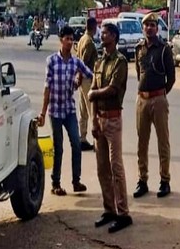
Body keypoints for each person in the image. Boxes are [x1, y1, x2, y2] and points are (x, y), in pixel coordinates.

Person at [37, 25, 94, 196]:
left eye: (72, 39)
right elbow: (47, 87)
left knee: (76, 144)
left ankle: (76, 181)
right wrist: (42, 112)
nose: (70, 42)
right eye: (67, 39)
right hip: (55, 110)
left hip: (69, 109)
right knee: (58, 148)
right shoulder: (52, 61)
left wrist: (80, 78)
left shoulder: (76, 62)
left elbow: (90, 73)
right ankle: (56, 183)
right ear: (60, 40)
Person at [88, 22, 132, 233]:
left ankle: (123, 212)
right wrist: (94, 119)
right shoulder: (99, 61)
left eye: (105, 33)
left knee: (116, 167)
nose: (101, 35)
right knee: (102, 168)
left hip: (114, 119)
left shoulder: (120, 62)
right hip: (101, 119)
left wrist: (94, 94)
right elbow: (95, 90)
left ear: (113, 36)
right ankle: (109, 209)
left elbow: (113, 89)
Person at [133, 12, 176, 199]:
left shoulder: (164, 49)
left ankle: (164, 180)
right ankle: (142, 180)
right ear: (143, 28)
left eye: (152, 25)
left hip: (159, 99)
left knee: (162, 141)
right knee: (142, 142)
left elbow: (171, 77)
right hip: (142, 99)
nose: (149, 28)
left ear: (157, 28)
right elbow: (138, 71)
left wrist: (161, 93)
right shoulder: (138, 48)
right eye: (146, 25)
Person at [76, 17, 98, 152]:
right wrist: (80, 75)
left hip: (81, 79)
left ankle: (82, 138)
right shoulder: (89, 42)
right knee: (92, 111)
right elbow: (83, 62)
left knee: (83, 111)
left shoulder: (82, 39)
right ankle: (97, 141)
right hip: (87, 79)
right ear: (94, 27)